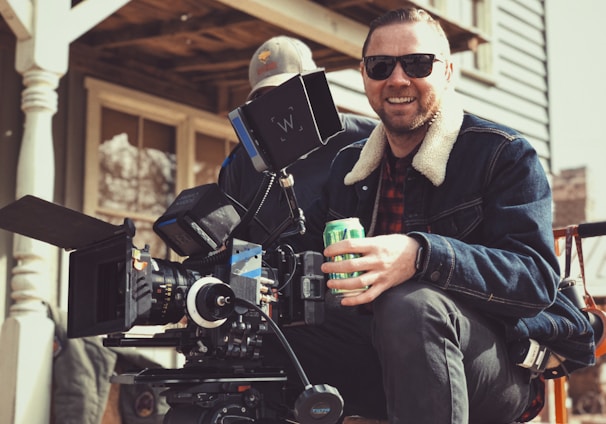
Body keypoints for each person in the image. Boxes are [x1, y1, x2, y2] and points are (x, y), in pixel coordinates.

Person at [262, 7, 596, 424]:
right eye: (381, 65)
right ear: (365, 75)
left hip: (490, 367)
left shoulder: (502, 153)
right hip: (377, 354)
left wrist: (420, 255)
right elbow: (302, 255)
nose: (398, 79)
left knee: (410, 303)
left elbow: (535, 278)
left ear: (448, 71)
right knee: (255, 332)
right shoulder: (348, 166)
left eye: (417, 63)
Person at [218, 35, 378, 247]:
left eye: (283, 92)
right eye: (262, 99)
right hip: (269, 279)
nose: (274, 107)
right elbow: (237, 244)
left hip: (349, 275)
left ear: (311, 86)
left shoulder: (368, 137)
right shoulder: (241, 162)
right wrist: (247, 278)